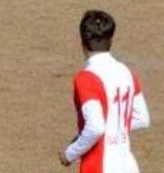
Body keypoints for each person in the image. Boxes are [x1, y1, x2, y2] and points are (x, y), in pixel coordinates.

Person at [60, 10, 151, 173]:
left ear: (82, 43)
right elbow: (142, 118)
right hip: (127, 165)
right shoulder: (126, 72)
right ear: (111, 41)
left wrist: (70, 153)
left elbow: (95, 127)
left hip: (99, 166)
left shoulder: (86, 79)